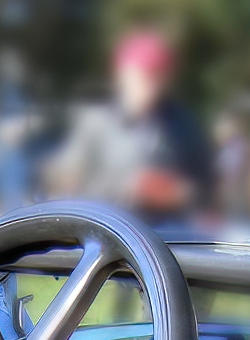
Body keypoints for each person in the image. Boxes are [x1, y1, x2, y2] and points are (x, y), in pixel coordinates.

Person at [48, 29, 211, 219]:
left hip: (168, 235)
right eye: (144, 77)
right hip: (109, 229)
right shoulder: (96, 122)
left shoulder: (183, 124)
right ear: (123, 76)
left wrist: (183, 193)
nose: (151, 86)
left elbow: (206, 184)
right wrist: (127, 187)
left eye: (159, 78)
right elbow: (64, 177)